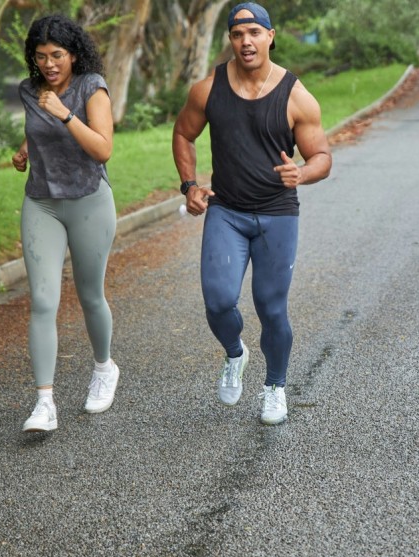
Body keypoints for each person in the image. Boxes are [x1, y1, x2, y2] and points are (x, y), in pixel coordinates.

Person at [172, 2, 332, 425]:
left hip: (277, 213)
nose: (246, 41)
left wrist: (302, 172)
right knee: (219, 299)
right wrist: (189, 185)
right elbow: (184, 134)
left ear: (270, 36)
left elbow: (322, 157)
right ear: (231, 39)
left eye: (254, 33)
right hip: (227, 209)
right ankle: (235, 353)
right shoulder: (208, 89)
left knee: (271, 306)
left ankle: (275, 386)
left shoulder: (296, 95)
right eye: (238, 34)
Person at [11, 14, 120, 432]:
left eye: (57, 55)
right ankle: (44, 402)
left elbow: (103, 149)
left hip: (89, 201)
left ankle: (104, 368)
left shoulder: (91, 87)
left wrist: (64, 115)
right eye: (41, 57)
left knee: (91, 295)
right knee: (42, 301)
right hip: (42, 203)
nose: (49, 64)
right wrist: (24, 151)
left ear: (73, 54)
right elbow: (37, 130)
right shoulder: (29, 90)